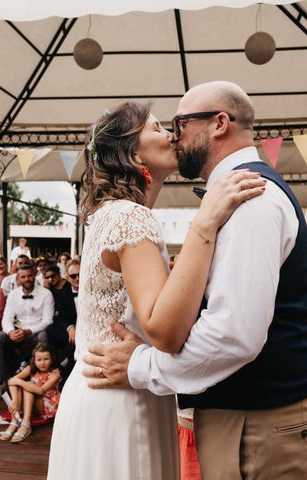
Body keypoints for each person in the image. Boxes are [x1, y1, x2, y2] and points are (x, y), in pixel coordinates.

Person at [80, 82, 307, 479]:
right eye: (164, 127)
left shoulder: (250, 197)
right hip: (232, 412)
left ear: (219, 123)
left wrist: (142, 365)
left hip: (257, 418)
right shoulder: (225, 196)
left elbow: (234, 333)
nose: (175, 135)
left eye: (180, 123)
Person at [48, 99, 266, 480]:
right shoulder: (131, 217)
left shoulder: (109, 214)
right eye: (156, 128)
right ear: (132, 154)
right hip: (119, 404)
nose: (170, 134)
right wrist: (205, 222)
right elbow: (163, 330)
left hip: (100, 392)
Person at [0, 265, 54, 402]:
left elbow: (48, 321)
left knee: (44, 336)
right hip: (18, 332)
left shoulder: (46, 294)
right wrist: (11, 332)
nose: (27, 279)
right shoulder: (13, 295)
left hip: (36, 332)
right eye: (23, 277)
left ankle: (41, 380)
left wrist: (29, 331)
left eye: (29, 276)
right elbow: (6, 320)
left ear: (35, 275)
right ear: (18, 279)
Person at [0, 343, 61, 443]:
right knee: (21, 385)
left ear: (52, 359)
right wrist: (15, 401)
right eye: (39, 360)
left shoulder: (55, 373)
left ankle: (25, 424)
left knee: (27, 386)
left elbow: (40, 390)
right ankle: (14, 421)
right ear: (34, 360)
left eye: (46, 359)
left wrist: (20, 382)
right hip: (32, 404)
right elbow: (11, 382)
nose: (42, 363)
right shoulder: (30, 369)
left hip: (47, 406)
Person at [44, 265, 77, 372]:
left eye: (80, 275)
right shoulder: (63, 294)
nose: (77, 278)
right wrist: (70, 328)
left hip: (88, 329)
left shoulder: (93, 292)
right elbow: (60, 317)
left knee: (71, 345)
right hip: (71, 329)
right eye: (73, 276)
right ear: (67, 277)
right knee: (50, 328)